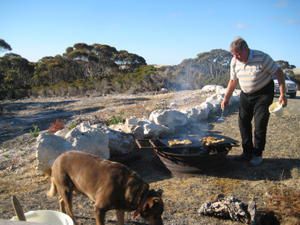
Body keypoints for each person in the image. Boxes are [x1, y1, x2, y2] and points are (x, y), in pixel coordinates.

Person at [221, 37, 287, 166]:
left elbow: (279, 73)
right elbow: (233, 81)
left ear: (246, 49)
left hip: (263, 93)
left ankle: (257, 154)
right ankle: (247, 153)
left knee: (260, 124)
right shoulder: (234, 61)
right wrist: (226, 98)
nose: (236, 57)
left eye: (238, 53)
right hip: (245, 94)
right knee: (243, 122)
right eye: (234, 54)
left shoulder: (261, 57)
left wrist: (283, 94)